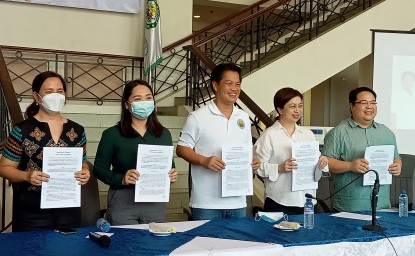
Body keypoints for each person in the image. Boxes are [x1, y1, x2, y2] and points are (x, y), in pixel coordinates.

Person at [0, 71, 90, 232]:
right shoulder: (22, 130)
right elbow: (4, 168)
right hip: (31, 213)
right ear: (36, 96)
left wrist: (85, 171)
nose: (55, 96)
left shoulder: (77, 131)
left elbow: (83, 163)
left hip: (68, 210)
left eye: (60, 91)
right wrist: (26, 175)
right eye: (49, 92)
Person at [176, 62, 260, 220]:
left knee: (237, 244)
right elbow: (181, 149)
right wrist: (204, 160)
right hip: (207, 203)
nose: (234, 89)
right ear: (215, 85)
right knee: (205, 244)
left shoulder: (243, 117)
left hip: (238, 201)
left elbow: (247, 150)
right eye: (229, 83)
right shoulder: (198, 117)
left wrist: (253, 161)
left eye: (237, 84)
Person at [93, 80, 178, 225]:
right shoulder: (112, 134)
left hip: (154, 201)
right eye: (138, 99)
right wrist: (121, 178)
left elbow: (169, 164)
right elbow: (99, 169)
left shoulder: (164, 134)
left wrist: (172, 174)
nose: (144, 102)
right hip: (123, 200)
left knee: (153, 244)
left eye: (148, 98)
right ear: (127, 104)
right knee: (124, 244)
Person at [323, 87, 402, 212]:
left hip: (381, 204)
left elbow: (396, 157)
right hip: (350, 205)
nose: (369, 106)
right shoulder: (338, 133)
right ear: (351, 106)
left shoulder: (386, 132)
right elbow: (326, 163)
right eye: (364, 103)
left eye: (373, 102)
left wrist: (397, 165)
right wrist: (350, 166)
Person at [253, 87, 329, 215]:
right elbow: (257, 167)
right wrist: (279, 168)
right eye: (292, 106)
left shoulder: (307, 134)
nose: (298, 110)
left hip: (308, 201)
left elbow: (317, 161)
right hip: (279, 201)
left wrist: (322, 161)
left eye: (300, 106)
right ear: (279, 109)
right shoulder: (269, 136)